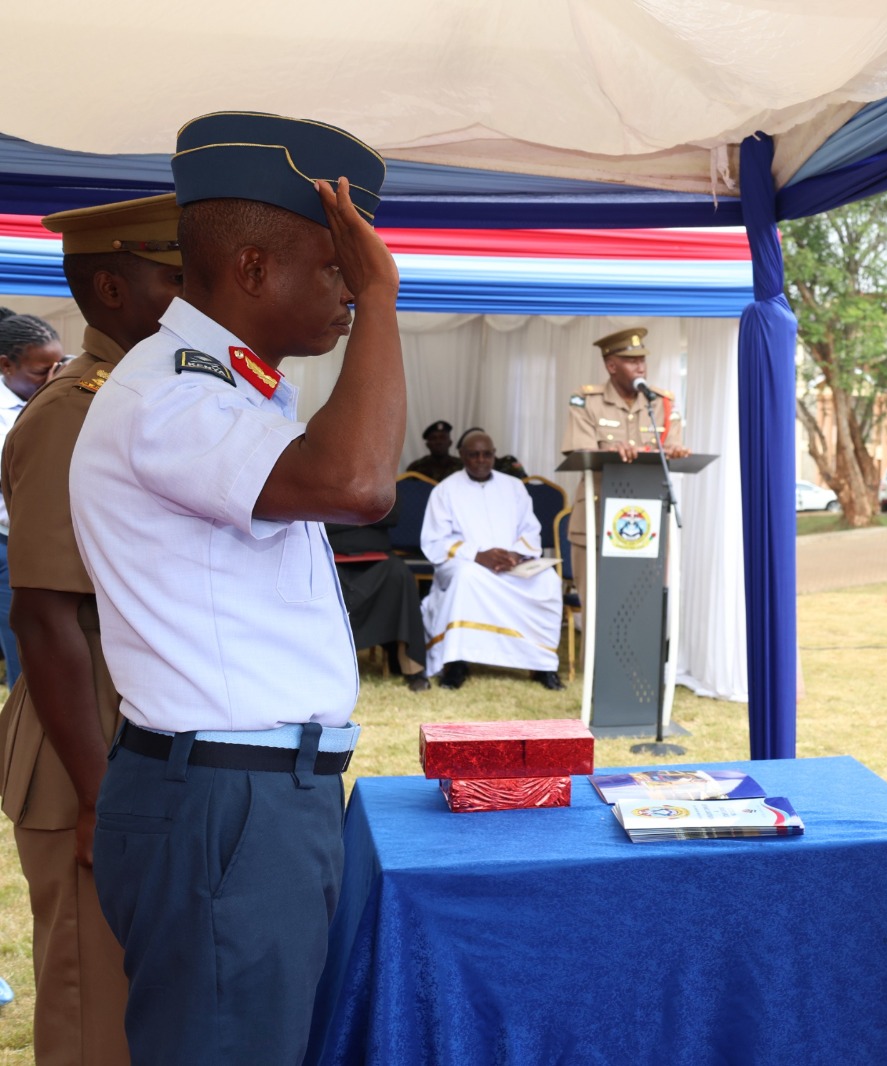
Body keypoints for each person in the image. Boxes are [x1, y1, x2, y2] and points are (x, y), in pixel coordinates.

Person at [68, 112, 402, 1065]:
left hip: (251, 794)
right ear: (253, 269)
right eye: (336, 266)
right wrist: (382, 302)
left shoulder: (231, 391)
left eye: (354, 272)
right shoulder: (171, 394)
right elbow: (359, 485)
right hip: (225, 800)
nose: (348, 288)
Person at [0, 193, 181, 1066]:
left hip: (141, 722)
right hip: (88, 739)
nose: (197, 294)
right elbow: (42, 616)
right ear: (110, 286)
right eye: (175, 276)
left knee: (145, 1003)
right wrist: (99, 794)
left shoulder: (159, 392)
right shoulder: (74, 409)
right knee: (93, 1015)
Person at [421, 429, 565, 690]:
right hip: (468, 565)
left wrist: (515, 554)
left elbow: (530, 530)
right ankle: (456, 663)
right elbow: (434, 541)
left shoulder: (514, 487)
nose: (480, 460)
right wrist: (477, 554)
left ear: (494, 456)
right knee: (467, 578)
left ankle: (542, 665)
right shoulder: (445, 490)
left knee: (548, 581)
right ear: (462, 456)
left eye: (487, 454)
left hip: (512, 566)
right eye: (473, 455)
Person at [561, 326, 688, 599]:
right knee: (597, 610)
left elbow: (670, 447)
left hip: (646, 523)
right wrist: (607, 450)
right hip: (596, 519)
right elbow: (580, 450)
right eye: (631, 361)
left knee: (643, 608)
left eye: (642, 360)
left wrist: (674, 451)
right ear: (611, 366)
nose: (640, 367)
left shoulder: (661, 403)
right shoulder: (586, 401)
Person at [0, 312, 66, 688]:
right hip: (10, 542)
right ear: (7, 366)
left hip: (34, 545)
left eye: (59, 366)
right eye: (42, 371)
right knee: (22, 656)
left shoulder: (56, 396)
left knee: (35, 652)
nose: (52, 376)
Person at [326, 509, 432, 693]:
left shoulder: (376, 478)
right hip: (329, 558)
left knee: (400, 574)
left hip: (378, 558)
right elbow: (316, 518)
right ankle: (318, 666)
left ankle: (413, 670)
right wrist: (362, 515)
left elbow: (390, 514)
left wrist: (341, 515)